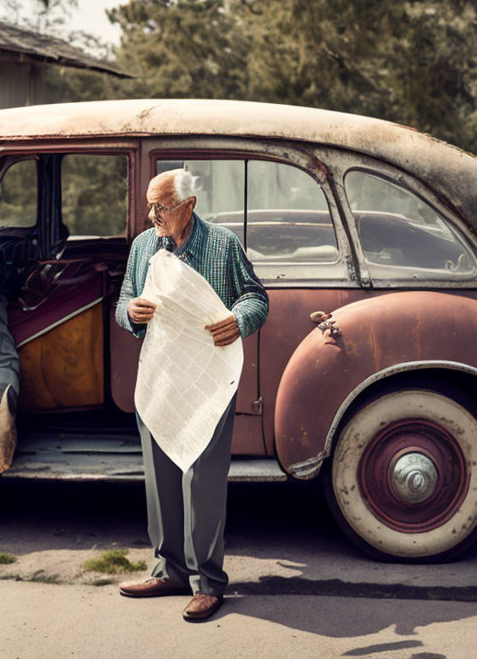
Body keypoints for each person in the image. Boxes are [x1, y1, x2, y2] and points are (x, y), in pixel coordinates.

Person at [115, 168, 269, 622]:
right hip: (161, 373)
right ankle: (170, 571)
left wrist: (238, 321)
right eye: (150, 206)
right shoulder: (144, 246)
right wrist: (131, 311)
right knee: (161, 477)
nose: (153, 215)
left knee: (201, 477)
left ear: (189, 206)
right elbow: (125, 298)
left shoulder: (222, 245)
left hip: (208, 377)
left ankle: (208, 583)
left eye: (161, 207)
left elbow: (255, 298)